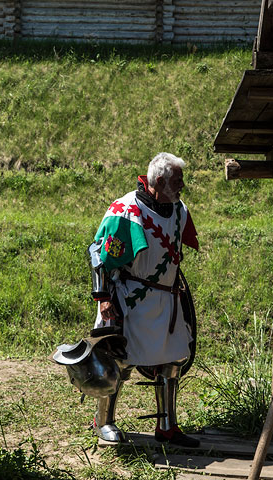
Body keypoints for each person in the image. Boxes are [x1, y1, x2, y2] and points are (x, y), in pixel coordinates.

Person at [89, 152, 199, 447]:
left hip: (167, 299)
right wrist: (103, 298)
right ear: (159, 181)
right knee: (119, 361)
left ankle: (166, 426)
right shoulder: (126, 210)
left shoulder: (179, 210)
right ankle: (105, 421)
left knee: (172, 360)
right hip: (130, 298)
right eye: (177, 181)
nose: (182, 186)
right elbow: (100, 254)